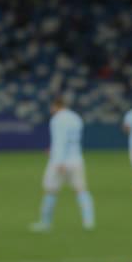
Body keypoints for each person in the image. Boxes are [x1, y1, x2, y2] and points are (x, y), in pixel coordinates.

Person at [30, 96, 95, 232]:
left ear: (55, 106)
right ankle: (89, 221)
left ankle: (45, 223)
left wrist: (59, 160)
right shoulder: (76, 118)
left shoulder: (57, 119)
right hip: (76, 159)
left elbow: (60, 140)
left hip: (60, 162)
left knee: (50, 191)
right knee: (81, 190)